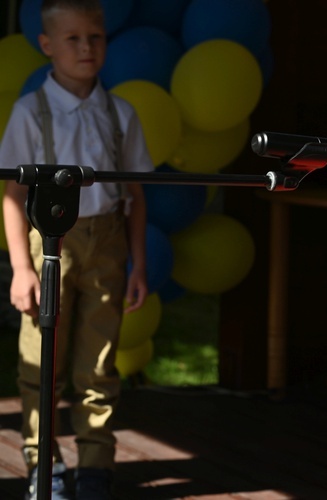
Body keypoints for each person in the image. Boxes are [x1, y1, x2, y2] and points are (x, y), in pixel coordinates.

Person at [0, 0, 152, 498]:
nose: (87, 47)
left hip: (107, 241)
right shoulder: (30, 113)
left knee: (98, 360)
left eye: (96, 37)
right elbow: (12, 195)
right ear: (46, 45)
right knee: (43, 357)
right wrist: (21, 268)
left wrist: (137, 264)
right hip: (51, 245)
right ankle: (44, 464)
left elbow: (134, 195)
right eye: (73, 39)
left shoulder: (120, 112)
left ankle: (94, 466)